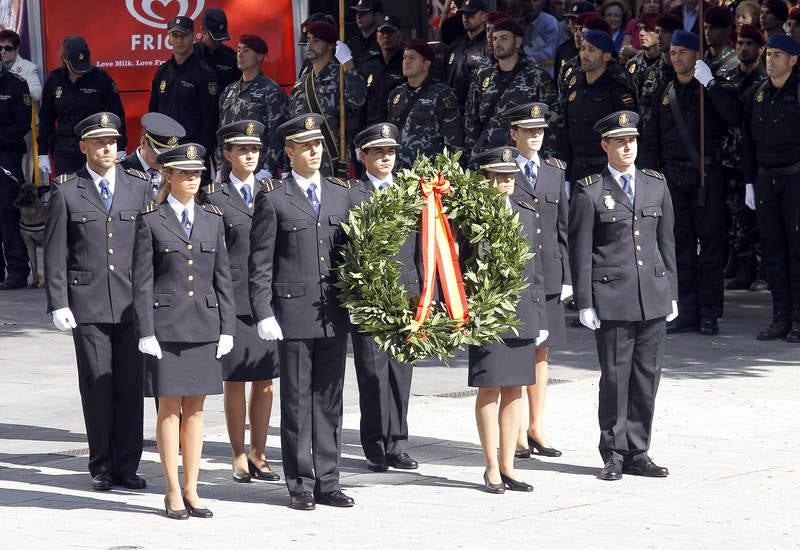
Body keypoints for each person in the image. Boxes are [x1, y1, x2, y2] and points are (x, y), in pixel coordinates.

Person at [249, 113, 355, 511]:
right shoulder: (275, 197)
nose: (313, 151)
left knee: (330, 400)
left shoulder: (342, 193)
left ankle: (329, 479)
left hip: (333, 312)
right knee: (296, 401)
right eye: (304, 146)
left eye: (317, 145)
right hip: (291, 314)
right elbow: (261, 260)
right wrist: (263, 311)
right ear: (289, 151)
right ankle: (300, 482)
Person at [569, 110, 677, 481]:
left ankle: (638, 450)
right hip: (612, 297)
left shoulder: (655, 185)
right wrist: (584, 301)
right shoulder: (590, 191)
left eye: (631, 140)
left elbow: (667, 243)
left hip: (652, 294)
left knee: (647, 376)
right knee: (615, 377)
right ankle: (613, 451)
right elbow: (580, 249)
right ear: (606, 145)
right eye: (619, 141)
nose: (627, 146)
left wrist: (672, 292)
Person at [43, 112, 149, 491]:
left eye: (113, 141)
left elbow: (147, 251)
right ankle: (101, 464)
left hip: (130, 304)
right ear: (84, 146)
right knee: (97, 386)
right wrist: (58, 302)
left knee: (130, 385)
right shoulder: (67, 190)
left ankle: (127, 465)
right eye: (99, 141)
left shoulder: (139, 187)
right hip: (86, 304)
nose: (108, 147)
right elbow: (55, 252)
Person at [133, 142, 235, 519]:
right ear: (168, 176)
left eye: (197, 174)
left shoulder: (212, 219)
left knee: (196, 409)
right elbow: (142, 282)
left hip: (204, 325)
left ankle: (193, 489)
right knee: (169, 408)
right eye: (185, 173)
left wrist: (227, 327)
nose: (193, 179)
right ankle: (172, 489)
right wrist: (145, 330)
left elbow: (222, 276)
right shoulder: (151, 220)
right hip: (167, 326)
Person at [640, 30, 739, 336]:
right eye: (673, 52)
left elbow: (733, 116)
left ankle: (709, 313)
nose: (677, 57)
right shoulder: (665, 92)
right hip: (673, 178)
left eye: (683, 52)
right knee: (679, 247)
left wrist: (709, 84)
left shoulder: (710, 88)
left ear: (697, 56)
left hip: (705, 177)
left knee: (709, 246)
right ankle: (685, 310)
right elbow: (653, 140)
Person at [201, 120, 281, 484]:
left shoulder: (273, 191)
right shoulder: (214, 198)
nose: (250, 155)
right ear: (227, 154)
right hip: (232, 298)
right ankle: (237, 454)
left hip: (266, 301)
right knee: (234, 380)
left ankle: (260, 453)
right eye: (242, 149)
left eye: (255, 149)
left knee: (265, 381)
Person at [469, 145, 548, 494]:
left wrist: (541, 314)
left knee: (515, 388)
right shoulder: (471, 214)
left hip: (523, 309)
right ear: (485, 178)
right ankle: (490, 467)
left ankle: (509, 465)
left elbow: (537, 267)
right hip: (488, 310)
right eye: (498, 177)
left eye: (510, 177)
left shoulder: (527, 210)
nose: (506, 183)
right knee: (490, 387)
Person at [348, 123, 420, 473]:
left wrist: (424, 292)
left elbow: (422, 246)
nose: (385, 157)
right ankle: (375, 443)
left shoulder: (410, 193)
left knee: (401, 372)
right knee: (373, 372)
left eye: (390, 151)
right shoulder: (352, 195)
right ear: (362, 157)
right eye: (377, 152)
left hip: (405, 292)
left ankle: (398, 442)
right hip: (368, 296)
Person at [504, 103, 570, 459]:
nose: (535, 136)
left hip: (550, 271)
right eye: (527, 131)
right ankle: (514, 431)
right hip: (520, 274)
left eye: (539, 131)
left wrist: (569, 277)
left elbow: (563, 227)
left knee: (542, 354)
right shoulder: (503, 171)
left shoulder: (555, 171)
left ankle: (536, 426)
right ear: (513, 134)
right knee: (519, 351)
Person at [742, 35, 800, 342]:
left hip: (795, 178)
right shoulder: (759, 94)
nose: (770, 59)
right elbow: (749, 142)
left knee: (797, 252)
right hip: (766, 179)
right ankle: (780, 318)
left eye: (778, 55)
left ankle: (798, 319)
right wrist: (750, 180)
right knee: (773, 252)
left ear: (793, 59)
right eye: (769, 54)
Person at [465, 18, 557, 158]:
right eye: (495, 39)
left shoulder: (537, 77)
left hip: (522, 158)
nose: (497, 43)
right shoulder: (483, 75)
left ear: (517, 42)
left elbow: (552, 120)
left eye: (504, 38)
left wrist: (545, 161)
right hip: (488, 156)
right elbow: (472, 118)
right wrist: (470, 156)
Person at [38, 36, 126, 177]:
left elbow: (117, 113)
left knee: (95, 190)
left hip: (94, 146)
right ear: (65, 59)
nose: (80, 71)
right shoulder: (54, 80)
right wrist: (42, 152)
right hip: (64, 148)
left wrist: (121, 147)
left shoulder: (101, 79)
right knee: (65, 191)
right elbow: (46, 118)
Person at [288, 21, 367, 177]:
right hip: (302, 162)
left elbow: (357, 100)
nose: (310, 44)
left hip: (333, 161)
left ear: (330, 45)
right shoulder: (301, 83)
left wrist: (348, 64)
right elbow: (292, 124)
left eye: (316, 40)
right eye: (309, 39)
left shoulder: (342, 75)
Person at [558, 29, 637, 184]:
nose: (585, 54)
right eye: (582, 49)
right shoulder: (574, 86)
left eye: (591, 50)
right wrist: (565, 176)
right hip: (577, 170)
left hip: (606, 171)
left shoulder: (617, 90)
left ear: (606, 56)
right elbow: (565, 131)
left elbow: (627, 135)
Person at [722, 25, 766, 292]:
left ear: (760, 49)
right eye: (739, 43)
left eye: (749, 43)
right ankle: (740, 264)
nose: (742, 48)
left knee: (758, 221)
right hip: (730, 157)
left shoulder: (762, 79)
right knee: (736, 217)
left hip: (755, 160)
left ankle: (760, 271)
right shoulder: (730, 76)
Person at [149, 17, 219, 161]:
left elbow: (210, 118)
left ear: (193, 36)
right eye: (175, 36)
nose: (180, 40)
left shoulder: (205, 73)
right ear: (169, 38)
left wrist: (202, 151)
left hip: (192, 151)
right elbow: (153, 111)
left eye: (184, 36)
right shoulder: (162, 71)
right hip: (164, 149)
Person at [218, 34, 288, 179]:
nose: (240, 54)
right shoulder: (229, 91)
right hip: (230, 171)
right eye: (238, 50)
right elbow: (221, 132)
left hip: (257, 169)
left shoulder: (271, 91)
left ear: (260, 56)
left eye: (246, 50)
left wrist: (268, 169)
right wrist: (220, 166)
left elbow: (277, 135)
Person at [387, 39, 463, 170]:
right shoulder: (396, 94)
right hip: (397, 172)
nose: (406, 61)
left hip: (428, 175)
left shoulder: (442, 95)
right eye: (405, 57)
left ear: (426, 64)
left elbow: (454, 142)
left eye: (412, 58)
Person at [0, 53, 32, 290]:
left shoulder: (15, 85)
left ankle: (18, 272)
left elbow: (22, 124)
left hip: (7, 155)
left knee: (8, 215)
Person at [120, 113, 186, 201]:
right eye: (160, 153)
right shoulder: (120, 171)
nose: (165, 159)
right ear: (143, 143)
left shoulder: (176, 173)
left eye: (169, 154)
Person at [626, 13, 670, 129]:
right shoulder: (632, 63)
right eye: (640, 28)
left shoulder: (667, 64)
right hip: (634, 128)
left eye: (647, 29)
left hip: (659, 128)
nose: (641, 33)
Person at [360, 16, 405, 127]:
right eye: (382, 32)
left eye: (391, 32)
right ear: (376, 36)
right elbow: (361, 103)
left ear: (400, 36)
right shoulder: (369, 65)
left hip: (398, 129)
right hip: (371, 129)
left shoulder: (407, 63)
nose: (386, 36)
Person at [447, 0, 490, 110]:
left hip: (479, 109)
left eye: (471, 14)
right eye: (464, 14)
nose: (466, 17)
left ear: (484, 16)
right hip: (452, 111)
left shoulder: (490, 46)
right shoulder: (455, 46)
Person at [194, 8, 241, 92]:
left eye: (221, 38)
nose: (218, 42)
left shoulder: (231, 57)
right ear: (203, 30)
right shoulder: (189, 54)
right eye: (213, 38)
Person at [522, 0, 561, 77]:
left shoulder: (550, 22)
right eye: (528, 1)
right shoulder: (520, 22)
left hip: (544, 74)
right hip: (524, 74)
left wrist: (522, 56)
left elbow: (549, 53)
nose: (531, 4)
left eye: (535, 0)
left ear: (543, 3)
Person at [703, 7, 739, 81]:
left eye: (713, 28)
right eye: (705, 28)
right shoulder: (703, 57)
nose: (707, 33)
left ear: (727, 30)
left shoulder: (735, 62)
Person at [348, 0, 383, 72]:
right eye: (357, 12)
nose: (359, 16)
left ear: (377, 15)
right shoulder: (351, 44)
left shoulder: (384, 43)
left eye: (364, 12)